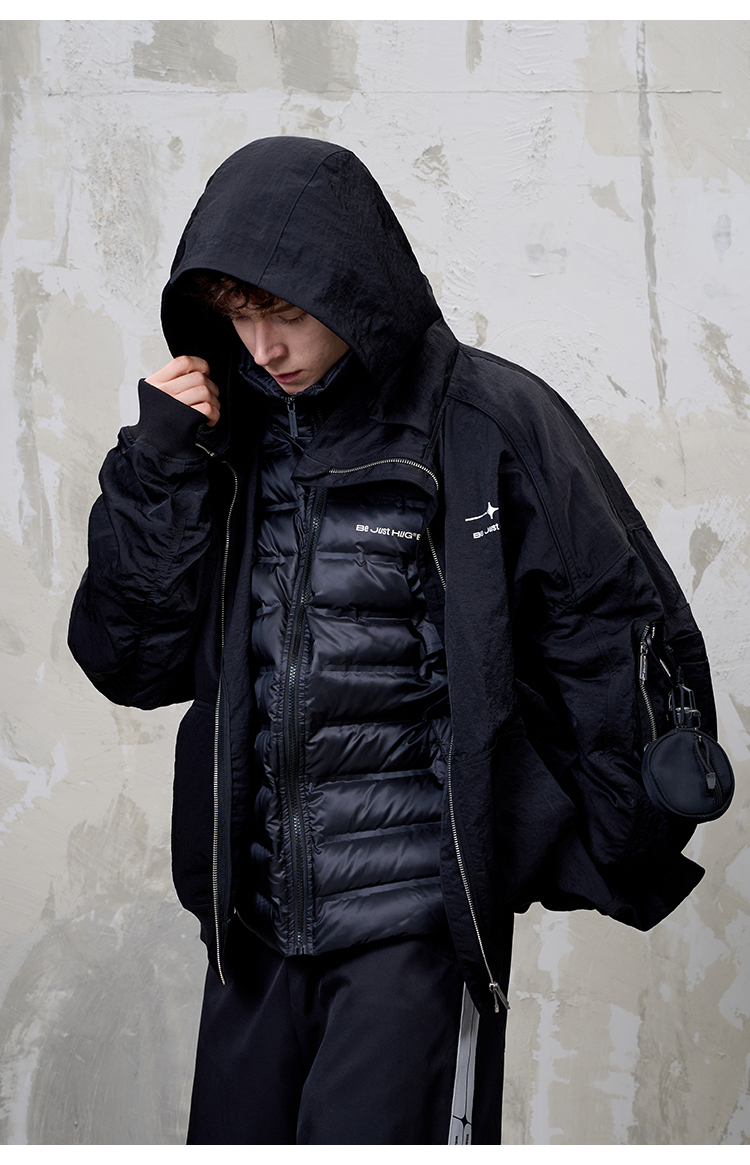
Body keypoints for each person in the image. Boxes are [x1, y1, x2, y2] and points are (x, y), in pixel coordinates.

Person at [68, 136, 715, 1145]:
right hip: (251, 927)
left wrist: (599, 829)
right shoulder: (218, 440)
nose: (262, 348)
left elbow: (607, 628)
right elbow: (131, 662)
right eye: (238, 316)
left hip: (413, 939)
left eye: (285, 313)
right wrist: (158, 470)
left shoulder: (487, 419)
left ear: (353, 287)